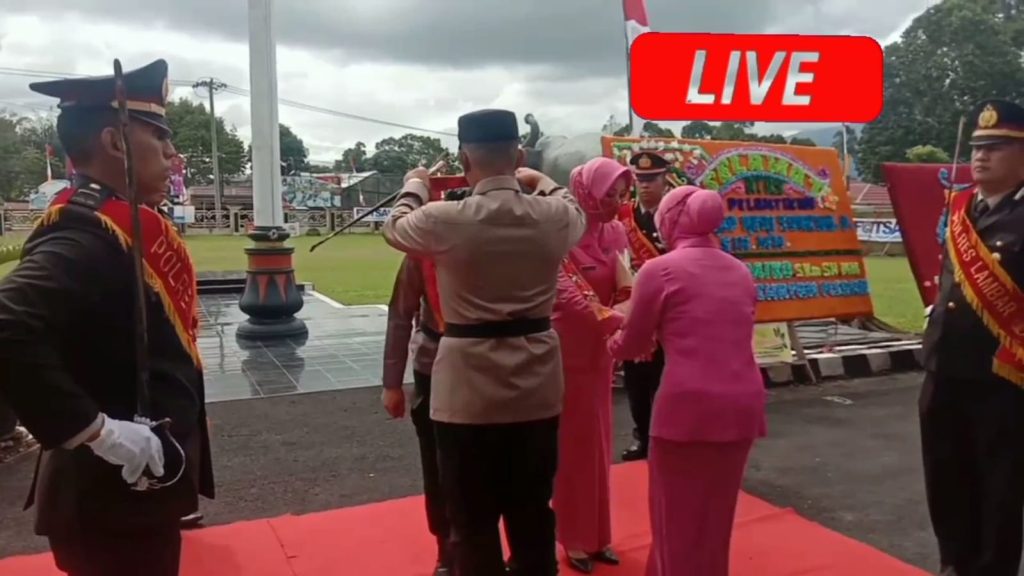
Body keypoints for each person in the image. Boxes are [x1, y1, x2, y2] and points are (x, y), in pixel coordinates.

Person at [0, 59, 214, 576]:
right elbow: (6, 320)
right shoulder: (86, 232)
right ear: (116, 141)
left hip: (133, 494)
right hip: (106, 497)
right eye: (158, 136)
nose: (172, 153)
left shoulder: (119, 221)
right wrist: (96, 431)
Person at [381, 108, 587, 576]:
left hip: (466, 390)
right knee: (533, 511)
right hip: (535, 383)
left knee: (471, 522)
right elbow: (574, 207)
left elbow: (395, 226)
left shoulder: (443, 219)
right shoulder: (554, 216)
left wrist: (415, 183)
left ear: (463, 159)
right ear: (519, 156)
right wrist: (541, 181)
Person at [608, 186, 766, 576]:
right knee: (715, 515)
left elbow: (633, 343)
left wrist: (607, 336)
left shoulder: (659, 270)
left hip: (687, 407)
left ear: (671, 220)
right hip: (742, 403)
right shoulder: (740, 270)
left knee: (674, 514)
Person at [920, 98, 1024, 576]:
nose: (981, 156)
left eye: (996, 147)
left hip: (1002, 378)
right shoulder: (962, 209)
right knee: (946, 479)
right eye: (978, 146)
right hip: (944, 369)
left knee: (998, 489)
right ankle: (954, 566)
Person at [380, 187, 470, 575]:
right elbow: (401, 314)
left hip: (484, 371)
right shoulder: (422, 255)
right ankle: (446, 547)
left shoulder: (491, 248)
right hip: (435, 367)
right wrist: (392, 383)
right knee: (438, 464)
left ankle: (477, 544)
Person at [551, 157, 634, 573]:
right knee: (572, 447)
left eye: (620, 194)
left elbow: (626, 282)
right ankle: (573, 538)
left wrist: (626, 319)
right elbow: (569, 296)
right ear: (585, 192)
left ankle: (599, 535)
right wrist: (623, 322)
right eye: (607, 194)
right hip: (567, 353)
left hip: (601, 352)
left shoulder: (615, 231)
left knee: (599, 442)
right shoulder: (559, 234)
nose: (615, 202)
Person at [616, 151, 669, 461]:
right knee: (636, 377)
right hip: (634, 306)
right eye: (640, 179)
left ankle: (666, 435)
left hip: (667, 309)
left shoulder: (674, 215)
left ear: (665, 179)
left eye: (652, 179)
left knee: (665, 377)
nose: (645, 185)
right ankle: (643, 436)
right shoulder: (624, 216)